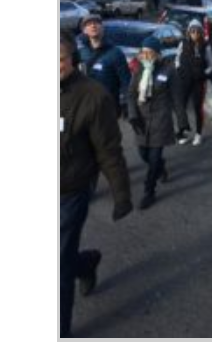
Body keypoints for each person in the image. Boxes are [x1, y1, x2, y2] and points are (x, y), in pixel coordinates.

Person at [60, 31, 133, 338]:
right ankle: (86, 262)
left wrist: (121, 194)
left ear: (72, 60)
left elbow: (108, 150)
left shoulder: (93, 96)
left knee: (56, 268)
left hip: (70, 190)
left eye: (59, 59)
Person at [127, 36, 182, 210]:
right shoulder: (138, 70)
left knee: (153, 158)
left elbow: (177, 98)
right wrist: (132, 115)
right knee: (143, 154)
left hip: (160, 119)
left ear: (158, 54)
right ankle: (161, 167)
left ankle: (149, 192)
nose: (146, 56)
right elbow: (130, 95)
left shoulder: (169, 70)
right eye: (143, 52)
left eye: (150, 52)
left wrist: (182, 122)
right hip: (141, 120)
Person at [75, 14, 131, 118]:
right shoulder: (80, 53)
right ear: (84, 30)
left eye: (96, 23)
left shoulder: (116, 53)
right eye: (88, 24)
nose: (93, 26)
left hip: (108, 108)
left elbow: (126, 81)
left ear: (102, 28)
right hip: (85, 107)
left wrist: (125, 103)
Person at [175, 19, 212, 146]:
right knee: (181, 105)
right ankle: (183, 132)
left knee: (198, 108)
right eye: (192, 31)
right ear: (188, 32)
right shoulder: (183, 43)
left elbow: (211, 64)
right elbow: (177, 59)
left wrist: (204, 73)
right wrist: (179, 69)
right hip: (184, 80)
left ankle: (198, 134)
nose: (195, 34)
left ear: (201, 32)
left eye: (197, 31)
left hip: (199, 82)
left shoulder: (206, 45)